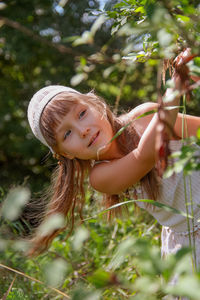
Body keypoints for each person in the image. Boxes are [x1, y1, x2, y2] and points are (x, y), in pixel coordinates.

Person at [27, 49, 200, 269]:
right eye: (67, 134)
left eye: (81, 114)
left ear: (95, 103)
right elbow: (145, 155)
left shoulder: (145, 115)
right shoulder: (101, 177)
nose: (83, 130)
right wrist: (177, 84)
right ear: (64, 153)